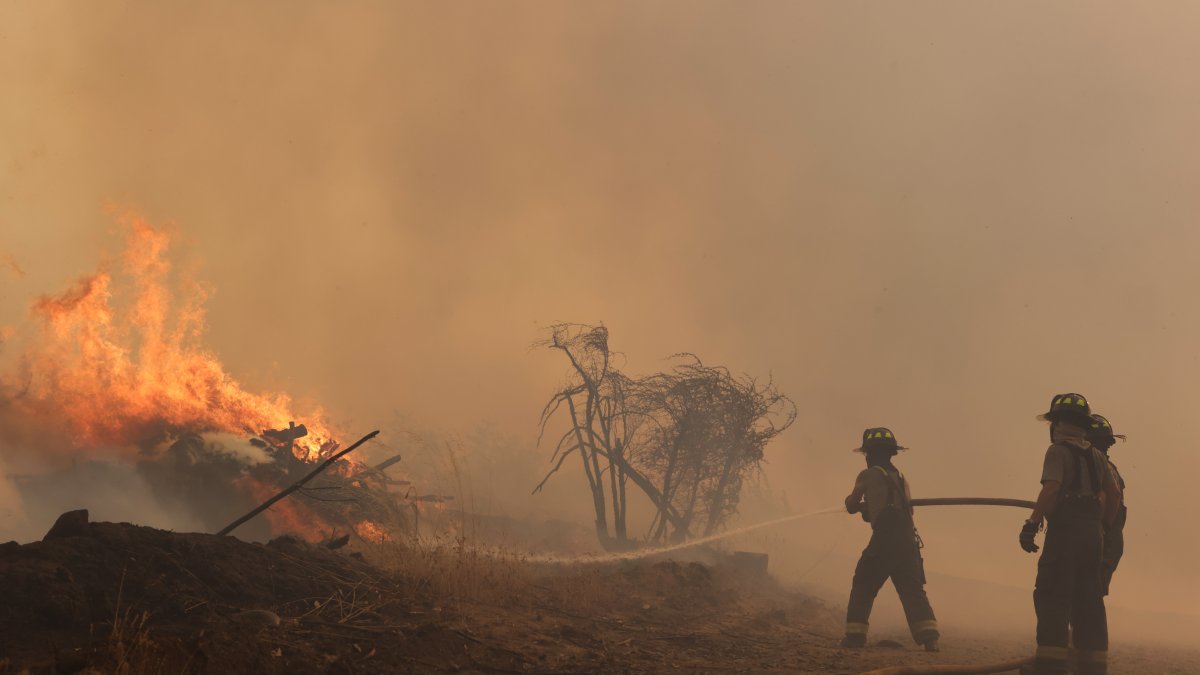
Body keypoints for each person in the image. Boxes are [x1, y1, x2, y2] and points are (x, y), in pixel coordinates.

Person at [1019, 394, 1122, 675]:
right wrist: (1102, 527)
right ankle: (1092, 669)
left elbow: (1051, 489)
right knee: (1089, 599)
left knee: (1053, 595)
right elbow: (1112, 495)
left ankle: (1050, 668)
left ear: (1059, 424)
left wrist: (1032, 524)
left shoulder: (1057, 451)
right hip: (1093, 534)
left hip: (1065, 532)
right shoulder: (1098, 456)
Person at [841, 427, 939, 652]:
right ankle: (930, 638)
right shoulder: (901, 477)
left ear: (870, 454)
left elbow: (851, 505)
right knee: (912, 590)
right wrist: (872, 511)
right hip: (907, 540)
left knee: (864, 583)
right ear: (891, 453)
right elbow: (906, 511)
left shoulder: (867, 474)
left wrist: (860, 506)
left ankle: (855, 638)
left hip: (884, 539)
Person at [1087, 414, 1127, 596]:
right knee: (1088, 600)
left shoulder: (1099, 468)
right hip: (1108, 545)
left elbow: (1110, 498)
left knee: (1086, 599)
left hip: (1101, 546)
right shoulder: (1108, 469)